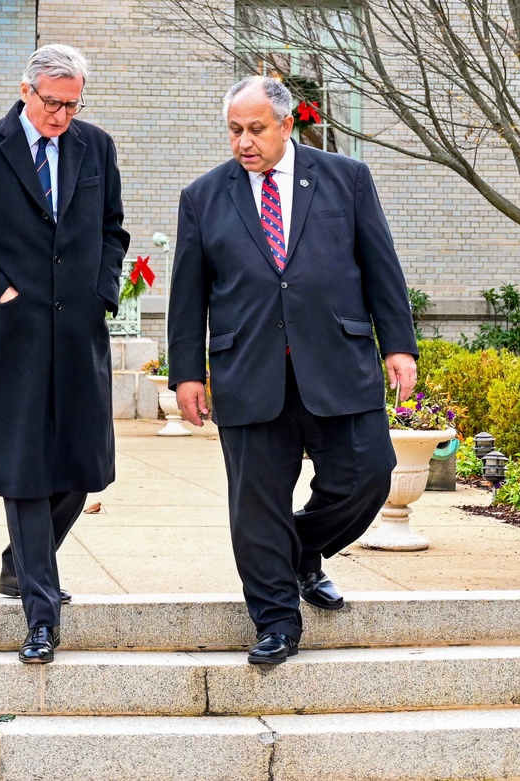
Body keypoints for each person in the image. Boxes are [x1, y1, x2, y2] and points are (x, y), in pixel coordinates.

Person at [167, 76, 418, 666]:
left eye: (256, 129)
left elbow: (381, 265)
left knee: (368, 476)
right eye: (234, 130)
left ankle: (301, 550)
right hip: (248, 371)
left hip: (337, 363)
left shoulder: (345, 178)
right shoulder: (203, 196)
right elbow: (187, 294)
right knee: (256, 504)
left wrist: (398, 345)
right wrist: (186, 373)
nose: (244, 142)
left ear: (288, 124)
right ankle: (276, 623)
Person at [0, 44, 130, 664]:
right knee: (24, 470)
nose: (62, 115)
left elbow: (112, 230)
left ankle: (21, 562)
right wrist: (0, 294)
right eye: (52, 102)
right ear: (26, 91)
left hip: (78, 334)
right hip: (16, 333)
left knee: (80, 468)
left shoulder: (95, 146)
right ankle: (40, 616)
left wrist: (102, 290)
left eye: (73, 104)